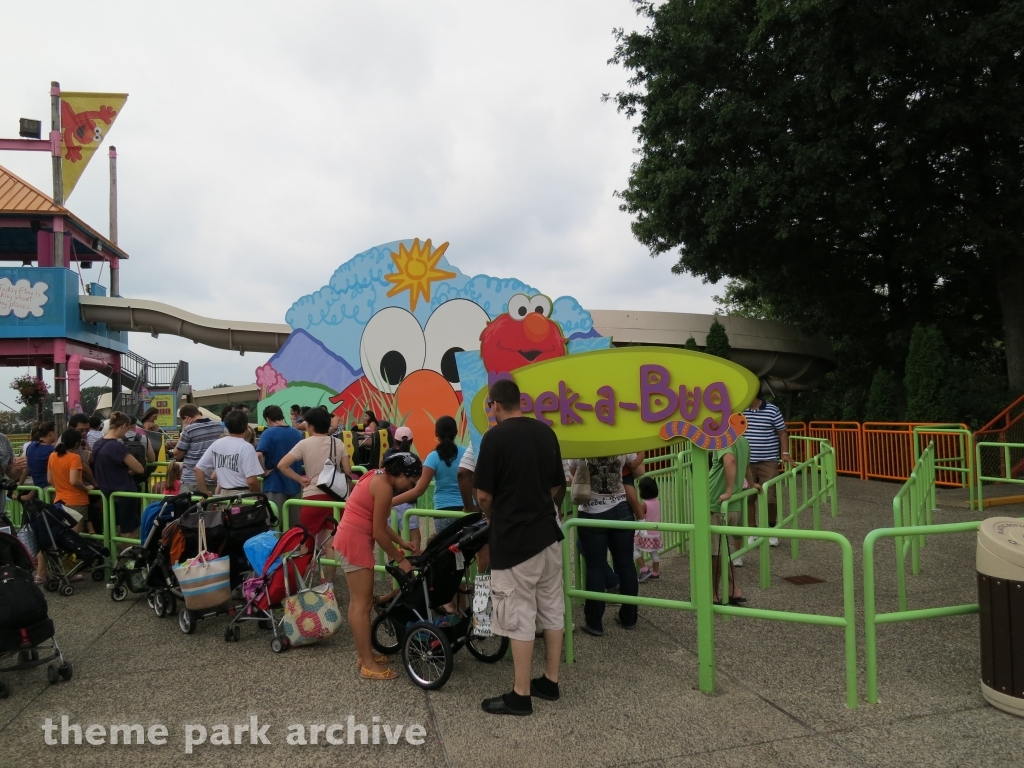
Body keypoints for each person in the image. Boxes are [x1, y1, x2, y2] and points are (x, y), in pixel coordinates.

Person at [474, 379, 565, 716]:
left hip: (514, 540)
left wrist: (491, 514)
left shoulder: (494, 438)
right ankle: (550, 682)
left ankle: (521, 695)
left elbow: (483, 495)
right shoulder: (546, 433)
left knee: (518, 614)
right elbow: (557, 484)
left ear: (495, 405)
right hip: (548, 536)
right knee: (552, 608)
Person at [333, 453, 420, 680]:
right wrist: (401, 559)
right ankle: (368, 665)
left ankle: (364, 655)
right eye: (410, 482)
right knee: (361, 605)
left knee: (357, 603)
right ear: (401, 474)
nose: (409, 487)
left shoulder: (375, 475)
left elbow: (376, 521)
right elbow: (378, 532)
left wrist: (401, 542)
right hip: (355, 543)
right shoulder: (384, 488)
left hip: (349, 539)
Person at [568, 454, 641, 637]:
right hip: (621, 508)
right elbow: (635, 466)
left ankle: (594, 622)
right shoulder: (619, 441)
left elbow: (573, 472)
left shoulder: (581, 444)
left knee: (595, 567)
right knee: (625, 563)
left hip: (592, 510)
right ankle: (629, 617)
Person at [277, 407, 353, 582]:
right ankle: (330, 583)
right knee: (330, 543)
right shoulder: (338, 443)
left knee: (306, 543)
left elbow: (282, 465)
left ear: (310, 426)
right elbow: (348, 472)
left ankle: (304, 583)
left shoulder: (304, 444)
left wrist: (300, 479)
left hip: (312, 497)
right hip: (335, 498)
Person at [710, 435, 758, 605]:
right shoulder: (743, 439)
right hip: (734, 505)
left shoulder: (722, 438)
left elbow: (730, 460)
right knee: (724, 549)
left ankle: (713, 594)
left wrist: (728, 490)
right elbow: (745, 466)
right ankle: (734, 588)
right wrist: (752, 485)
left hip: (717, 502)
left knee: (714, 552)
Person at [743, 391, 792, 547]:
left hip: (768, 461)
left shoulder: (772, 409)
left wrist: (785, 453)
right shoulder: (739, 410)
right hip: (746, 462)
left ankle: (772, 528)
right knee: (748, 497)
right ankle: (752, 531)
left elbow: (782, 432)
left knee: (770, 497)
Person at [90, 412, 147, 539]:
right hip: (125, 492)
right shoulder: (117, 446)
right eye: (127, 429)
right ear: (124, 425)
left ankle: (118, 555)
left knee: (115, 528)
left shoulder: (98, 444)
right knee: (128, 529)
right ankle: (130, 556)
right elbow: (139, 468)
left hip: (107, 492)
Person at [194, 410, 264, 496]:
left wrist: (204, 492)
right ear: (246, 426)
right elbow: (252, 481)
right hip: (243, 496)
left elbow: (198, 469)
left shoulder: (217, 443)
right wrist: (260, 495)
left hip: (223, 494)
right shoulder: (246, 447)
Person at [256, 405, 303, 522]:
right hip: (295, 484)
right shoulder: (297, 433)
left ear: (268, 419)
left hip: (274, 484)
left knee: (273, 525)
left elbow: (258, 454)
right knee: (294, 527)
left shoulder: (268, 433)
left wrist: (262, 472)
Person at [173, 404, 226, 495]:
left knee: (190, 509)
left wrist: (183, 431)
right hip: (214, 479)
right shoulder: (219, 426)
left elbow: (177, 455)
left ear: (186, 417)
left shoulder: (189, 429)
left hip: (191, 479)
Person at [47, 429, 92, 532]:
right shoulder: (74, 457)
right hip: (76, 500)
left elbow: (50, 480)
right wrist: (86, 488)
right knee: (74, 536)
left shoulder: (52, 456)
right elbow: (74, 481)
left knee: (63, 533)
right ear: (77, 443)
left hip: (59, 500)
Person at [634, 476, 662, 582]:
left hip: (645, 533)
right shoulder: (657, 502)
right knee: (654, 553)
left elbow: (638, 515)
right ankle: (655, 573)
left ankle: (644, 569)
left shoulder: (644, 504)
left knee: (634, 549)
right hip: (655, 533)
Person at [24, 422, 56, 491]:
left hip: (37, 487)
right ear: (50, 433)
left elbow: (27, 467)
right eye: (55, 432)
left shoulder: (31, 446)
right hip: (49, 488)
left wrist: (20, 483)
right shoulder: (51, 450)